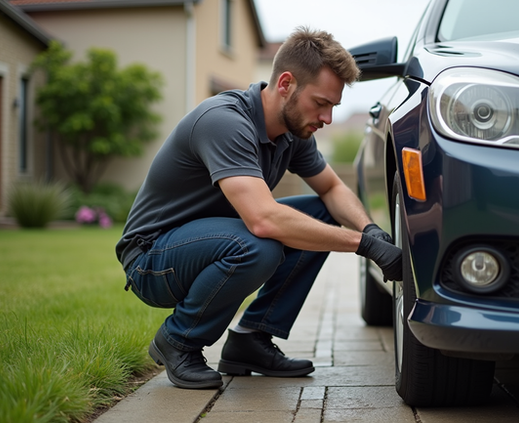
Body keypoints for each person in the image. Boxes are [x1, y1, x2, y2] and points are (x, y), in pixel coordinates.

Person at [115, 27, 402, 389]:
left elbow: (331, 188)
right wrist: (364, 246)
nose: (327, 118)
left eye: (333, 106)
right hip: (152, 259)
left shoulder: (293, 133)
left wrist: (369, 229)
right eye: (321, 103)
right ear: (285, 84)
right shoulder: (225, 121)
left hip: (209, 241)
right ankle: (178, 341)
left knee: (322, 214)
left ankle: (251, 338)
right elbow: (264, 220)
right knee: (259, 243)